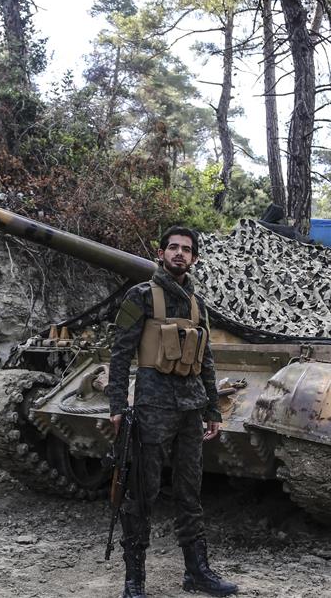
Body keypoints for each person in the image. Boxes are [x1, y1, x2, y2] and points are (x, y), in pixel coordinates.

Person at [106, 226, 238, 598]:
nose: (180, 254)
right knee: (142, 494)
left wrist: (213, 407)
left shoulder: (197, 304)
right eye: (173, 248)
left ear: (194, 258)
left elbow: (207, 359)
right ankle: (134, 583)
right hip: (151, 407)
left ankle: (197, 573)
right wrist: (117, 405)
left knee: (189, 493)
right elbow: (119, 355)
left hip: (191, 408)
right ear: (161, 253)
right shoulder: (141, 296)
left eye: (187, 249)